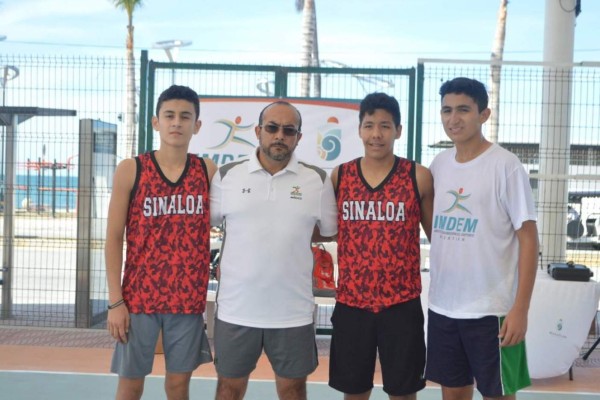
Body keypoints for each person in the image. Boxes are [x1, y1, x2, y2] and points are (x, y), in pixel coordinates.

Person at [209, 100, 337, 400]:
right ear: (258, 131)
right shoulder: (227, 176)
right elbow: (211, 224)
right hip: (236, 309)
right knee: (228, 389)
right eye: (272, 128)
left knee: (293, 390)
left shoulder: (317, 180)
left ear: (298, 137)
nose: (280, 135)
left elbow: (328, 230)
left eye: (289, 130)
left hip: (292, 312)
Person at [425, 77, 539, 400]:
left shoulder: (506, 166)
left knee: (498, 395)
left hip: (493, 312)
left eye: (463, 109)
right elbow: (435, 227)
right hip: (443, 307)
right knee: (453, 394)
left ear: (484, 115)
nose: (453, 118)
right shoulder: (439, 165)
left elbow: (529, 240)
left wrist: (520, 309)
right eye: (447, 110)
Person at [105, 85, 217, 400]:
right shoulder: (132, 169)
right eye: (169, 115)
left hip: (187, 299)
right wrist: (115, 302)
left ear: (197, 125)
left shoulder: (207, 171)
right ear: (156, 122)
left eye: (185, 116)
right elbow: (113, 237)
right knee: (130, 385)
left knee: (178, 386)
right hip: (139, 298)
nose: (176, 122)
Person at [328, 92, 434, 400]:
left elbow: (438, 238)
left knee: (403, 393)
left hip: (401, 305)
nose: (377, 134)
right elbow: (326, 229)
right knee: (354, 392)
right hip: (352, 303)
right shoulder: (341, 175)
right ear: (359, 130)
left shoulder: (418, 176)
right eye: (369, 125)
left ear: (398, 130)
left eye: (385, 126)